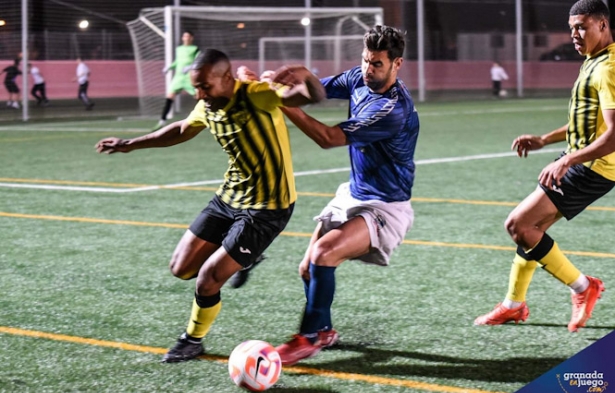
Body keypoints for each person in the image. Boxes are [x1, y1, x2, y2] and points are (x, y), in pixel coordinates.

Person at [95, 49, 325, 363]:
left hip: (268, 207)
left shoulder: (259, 95)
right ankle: (245, 258)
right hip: (229, 197)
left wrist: (305, 73)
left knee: (207, 278)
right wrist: (128, 144)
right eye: (196, 88)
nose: (200, 94)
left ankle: (192, 339)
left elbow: (312, 96)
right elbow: (179, 130)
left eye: (205, 86)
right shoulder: (207, 105)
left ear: (226, 78)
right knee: (181, 268)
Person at [272, 25, 419, 366]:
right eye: (367, 61)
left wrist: (283, 105)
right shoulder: (359, 77)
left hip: (385, 205)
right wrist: (295, 79)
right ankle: (323, 330)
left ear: (397, 64)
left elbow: (327, 137)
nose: (369, 69)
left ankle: (307, 338)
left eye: (378, 64)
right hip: (353, 192)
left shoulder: (392, 109)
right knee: (308, 269)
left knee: (324, 253)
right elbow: (316, 92)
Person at [474, 0, 611, 332]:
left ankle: (583, 287)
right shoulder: (595, 61)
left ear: (603, 25)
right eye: (572, 28)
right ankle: (513, 305)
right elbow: (588, 123)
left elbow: (614, 136)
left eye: (583, 27)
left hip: (593, 165)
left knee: (519, 225)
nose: (575, 35)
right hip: (584, 159)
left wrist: (568, 159)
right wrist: (544, 140)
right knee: (532, 233)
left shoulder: (609, 68)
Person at [154, 31, 200, 130]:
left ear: (192, 38)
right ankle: (162, 121)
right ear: (182, 38)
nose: (186, 38)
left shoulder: (195, 49)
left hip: (188, 77)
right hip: (178, 77)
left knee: (199, 97)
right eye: (184, 36)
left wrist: (189, 67)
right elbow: (177, 61)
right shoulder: (179, 49)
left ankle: (208, 118)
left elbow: (198, 61)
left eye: (188, 36)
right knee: (169, 97)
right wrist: (169, 67)